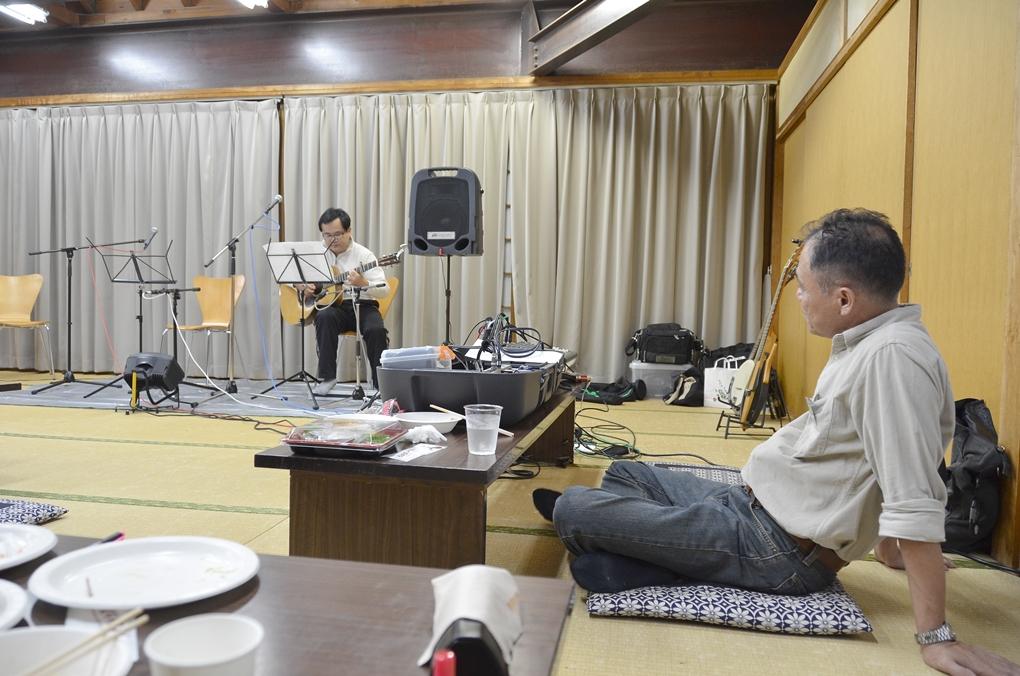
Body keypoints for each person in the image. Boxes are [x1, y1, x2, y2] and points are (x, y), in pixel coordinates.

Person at [541, 209, 1020, 675]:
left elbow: (913, 493)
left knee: (575, 510)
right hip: (751, 504)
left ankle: (664, 555)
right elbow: (895, 459)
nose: (800, 299)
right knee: (627, 473)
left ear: (845, 299)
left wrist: (937, 637)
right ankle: (660, 556)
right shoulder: (873, 341)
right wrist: (888, 550)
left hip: (777, 549)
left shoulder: (891, 361)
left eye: (804, 288)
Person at [302, 207, 389, 395]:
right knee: (324, 317)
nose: (332, 240)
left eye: (337, 234)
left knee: (376, 330)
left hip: (363, 305)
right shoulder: (316, 253)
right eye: (327, 235)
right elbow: (293, 276)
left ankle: (380, 384)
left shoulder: (364, 255)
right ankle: (327, 378)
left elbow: (384, 289)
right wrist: (302, 287)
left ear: (349, 231)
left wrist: (363, 283)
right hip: (334, 305)